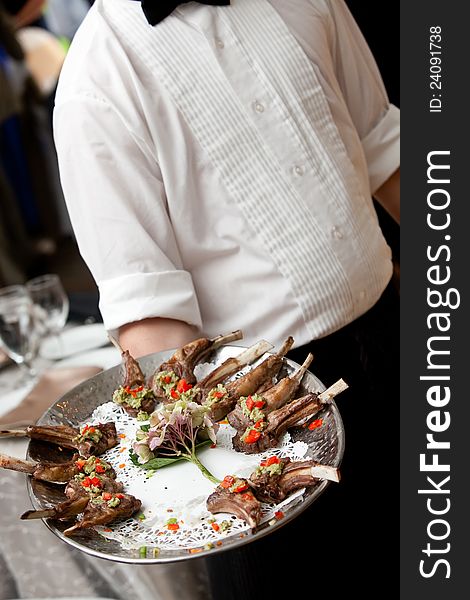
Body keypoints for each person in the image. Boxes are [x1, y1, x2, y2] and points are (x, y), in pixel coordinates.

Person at [53, 1, 400, 597]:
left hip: (399, 333)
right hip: (256, 420)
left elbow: (383, 145)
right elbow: (153, 324)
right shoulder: (97, 77)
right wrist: (223, 476)